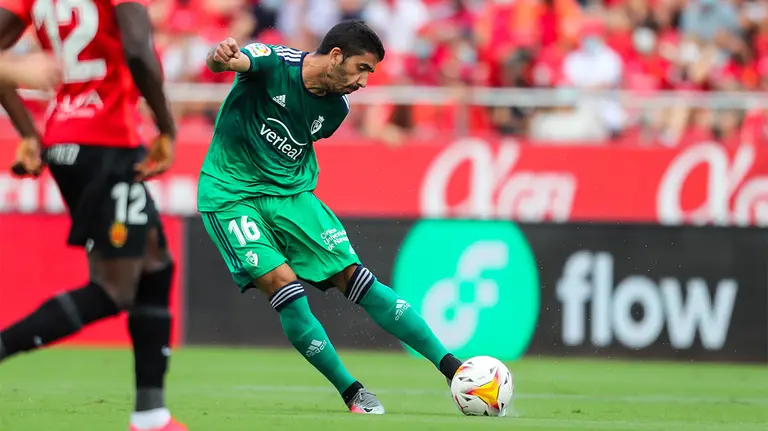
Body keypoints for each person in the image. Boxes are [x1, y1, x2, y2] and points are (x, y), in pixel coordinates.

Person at [199, 19, 463, 414]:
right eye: (362, 68)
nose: (364, 82)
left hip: (292, 197)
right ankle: (353, 392)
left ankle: (453, 368)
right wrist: (220, 57)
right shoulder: (273, 61)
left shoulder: (335, 110)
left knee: (358, 281)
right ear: (336, 56)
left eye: (370, 73)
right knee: (284, 287)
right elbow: (233, 61)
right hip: (231, 194)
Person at [0, 0, 186, 429]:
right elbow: (138, 50)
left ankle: (151, 414)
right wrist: (167, 128)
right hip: (108, 142)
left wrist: (31, 134)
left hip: (66, 138)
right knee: (114, 289)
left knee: (156, 265)